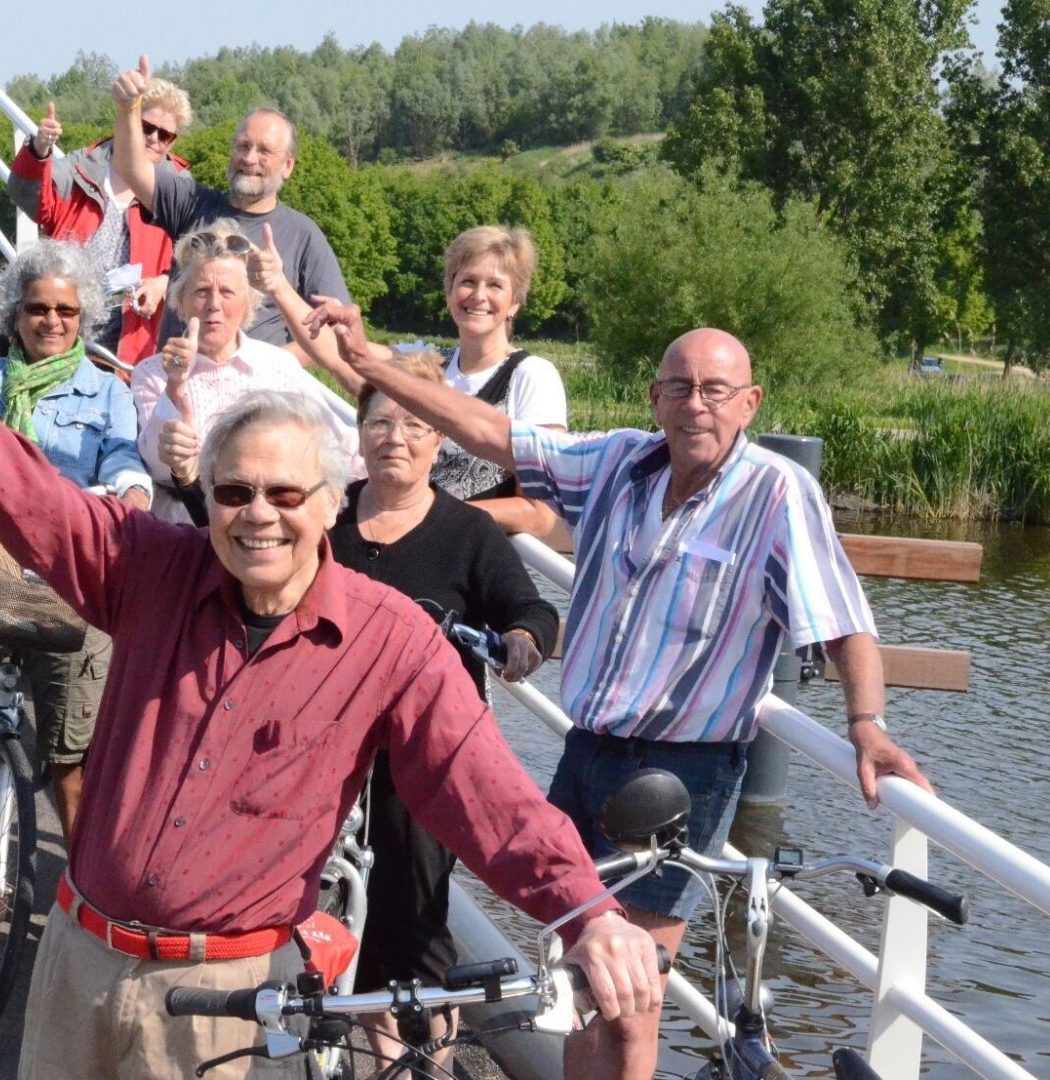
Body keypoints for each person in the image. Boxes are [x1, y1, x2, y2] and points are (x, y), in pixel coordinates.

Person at [0, 244, 662, 1080]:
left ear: (332, 505)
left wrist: (587, 912)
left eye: (287, 495)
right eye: (235, 491)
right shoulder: (149, 570)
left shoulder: (389, 641)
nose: (260, 515)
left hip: (228, 1003)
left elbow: (491, 798)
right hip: (79, 965)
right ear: (206, 496)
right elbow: (18, 485)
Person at [313, 310, 935, 1080]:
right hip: (588, 750)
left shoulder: (779, 493)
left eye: (716, 388)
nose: (696, 403)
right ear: (654, 398)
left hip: (683, 772)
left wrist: (866, 724)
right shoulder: (615, 464)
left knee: (631, 989)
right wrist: (376, 367)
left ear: (751, 402)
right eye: (680, 387)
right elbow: (490, 434)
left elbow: (843, 622)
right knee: (578, 962)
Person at [329, 350, 559, 1072]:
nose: (395, 436)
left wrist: (522, 642)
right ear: (360, 434)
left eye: (414, 423)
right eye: (380, 422)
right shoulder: (327, 515)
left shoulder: (467, 533)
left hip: (423, 755)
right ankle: (375, 1050)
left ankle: (430, 1062)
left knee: (417, 912)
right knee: (345, 912)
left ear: (438, 439)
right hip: (326, 743)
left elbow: (530, 610)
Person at [0, 241, 153, 835]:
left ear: (82, 318)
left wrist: (130, 492)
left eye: (65, 312)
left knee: (72, 754)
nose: (51, 322)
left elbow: (122, 456)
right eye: (38, 309)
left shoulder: (108, 391)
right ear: (15, 314)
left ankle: (79, 891)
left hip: (70, 580)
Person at [314, 225, 567, 538]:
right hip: (403, 537)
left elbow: (539, 515)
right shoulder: (428, 363)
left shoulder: (531, 376)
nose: (478, 296)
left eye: (495, 285)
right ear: (450, 291)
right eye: (468, 281)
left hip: (474, 555)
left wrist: (427, 510)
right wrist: (278, 286)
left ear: (515, 302)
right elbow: (343, 353)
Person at [107, 56, 351, 367]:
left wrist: (261, 361)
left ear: (288, 166)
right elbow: (130, 167)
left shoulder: (304, 237)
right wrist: (128, 109)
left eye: (264, 151)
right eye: (242, 146)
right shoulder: (192, 203)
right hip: (176, 382)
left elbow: (336, 331)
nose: (249, 158)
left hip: (255, 398)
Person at [136, 223, 356, 523]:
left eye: (227, 291)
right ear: (181, 303)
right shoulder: (151, 373)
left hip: (268, 523)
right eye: (201, 291)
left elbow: (341, 448)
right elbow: (159, 465)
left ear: (248, 304)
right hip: (183, 529)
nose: (214, 304)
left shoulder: (277, 367)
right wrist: (175, 385)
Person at [7, 80, 193, 366]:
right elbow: (29, 198)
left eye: (166, 135)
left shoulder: (180, 188)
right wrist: (39, 150)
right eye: (146, 127)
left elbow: (196, 262)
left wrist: (164, 283)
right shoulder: (81, 168)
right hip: (62, 322)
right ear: (127, 122)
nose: (154, 138)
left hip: (132, 335)